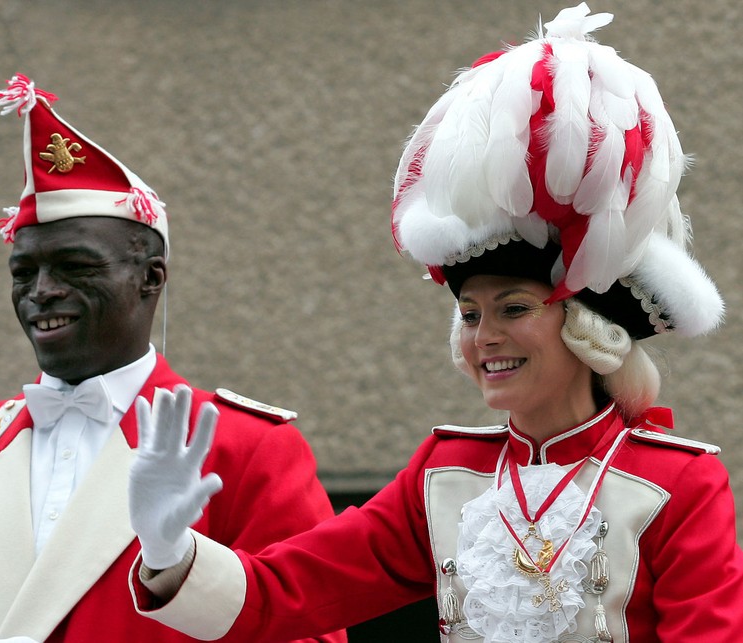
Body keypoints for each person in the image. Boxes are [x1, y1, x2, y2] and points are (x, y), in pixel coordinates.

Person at [125, 5, 743, 642]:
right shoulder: (446, 472)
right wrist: (172, 555)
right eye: (470, 315)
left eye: (514, 308)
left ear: (589, 328)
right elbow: (290, 592)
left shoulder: (677, 483)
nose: (485, 336)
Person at [0, 74, 346, 643]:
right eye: (24, 273)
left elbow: (306, 633)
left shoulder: (243, 446)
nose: (40, 290)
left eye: (75, 266)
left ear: (150, 279)